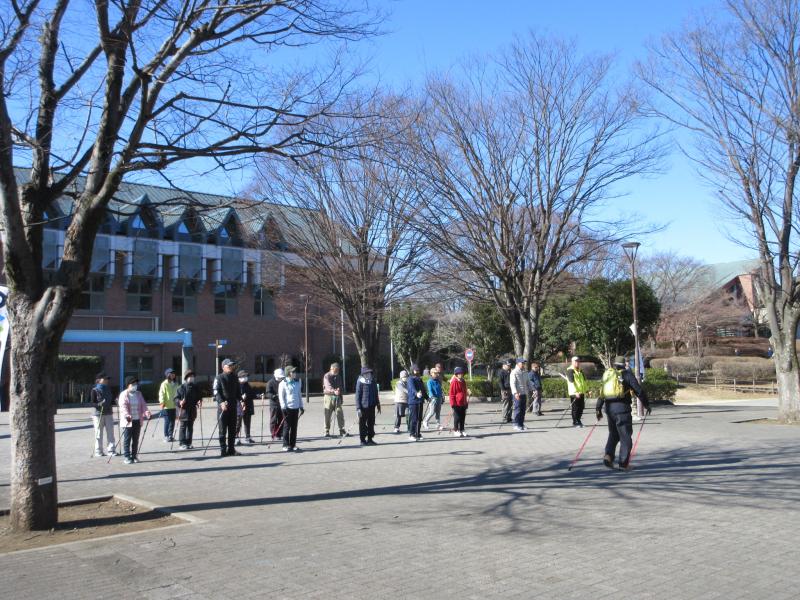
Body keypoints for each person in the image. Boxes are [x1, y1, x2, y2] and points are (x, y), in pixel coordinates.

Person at [596, 356, 651, 471]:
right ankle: (623, 464)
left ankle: (608, 456)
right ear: (624, 364)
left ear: (614, 364)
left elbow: (602, 393)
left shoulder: (609, 375)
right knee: (625, 437)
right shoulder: (626, 374)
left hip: (609, 409)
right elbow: (638, 390)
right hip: (622, 410)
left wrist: (598, 409)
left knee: (613, 434)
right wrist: (646, 405)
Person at [119, 376, 151, 464]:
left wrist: (147, 412)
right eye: (133, 384)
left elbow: (143, 405)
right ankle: (127, 456)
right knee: (127, 439)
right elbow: (123, 407)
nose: (135, 385)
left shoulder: (138, 394)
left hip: (137, 419)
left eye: (136, 384)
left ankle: (134, 456)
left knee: (135, 439)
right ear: (128, 385)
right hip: (128, 421)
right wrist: (127, 415)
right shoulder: (124, 394)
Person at [213, 358, 241, 457]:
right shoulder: (219, 378)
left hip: (233, 406)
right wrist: (221, 403)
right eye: (229, 366)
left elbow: (238, 391)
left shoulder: (235, 377)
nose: (231, 367)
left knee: (232, 430)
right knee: (222, 430)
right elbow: (216, 392)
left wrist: (241, 400)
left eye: (232, 365)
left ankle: (231, 449)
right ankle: (223, 449)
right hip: (223, 407)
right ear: (223, 367)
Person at [278, 365, 304, 451]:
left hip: (295, 407)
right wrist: (283, 408)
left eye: (295, 372)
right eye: (293, 372)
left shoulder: (297, 382)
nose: (295, 373)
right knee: (287, 426)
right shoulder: (283, 383)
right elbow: (281, 397)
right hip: (287, 408)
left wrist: (301, 406)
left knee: (294, 427)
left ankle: (293, 444)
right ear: (288, 373)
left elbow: (299, 395)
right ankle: (285, 445)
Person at [91, 372, 116, 457]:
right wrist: (99, 404)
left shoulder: (109, 389)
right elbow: (93, 403)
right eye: (105, 379)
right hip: (98, 414)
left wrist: (115, 401)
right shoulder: (95, 390)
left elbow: (111, 400)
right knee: (98, 433)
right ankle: (98, 451)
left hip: (108, 413)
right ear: (99, 380)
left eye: (107, 379)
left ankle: (111, 450)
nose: (107, 380)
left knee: (110, 433)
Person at [355, 366, 381, 446]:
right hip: (363, 407)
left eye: (370, 373)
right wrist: (358, 408)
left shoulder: (372, 381)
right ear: (364, 374)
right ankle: (362, 440)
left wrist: (378, 404)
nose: (369, 374)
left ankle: (370, 439)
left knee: (371, 423)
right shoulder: (360, 382)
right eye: (367, 373)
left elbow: (376, 394)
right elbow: (357, 396)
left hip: (372, 406)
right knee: (362, 424)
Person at [176, 369, 202, 449]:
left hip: (192, 410)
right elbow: (175, 399)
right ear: (186, 378)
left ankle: (189, 442)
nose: (192, 378)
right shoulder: (181, 387)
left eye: (193, 376)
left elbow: (199, 397)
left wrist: (199, 401)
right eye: (190, 376)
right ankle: (182, 443)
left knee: (190, 427)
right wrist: (180, 402)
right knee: (183, 427)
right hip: (183, 411)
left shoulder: (195, 387)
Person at [323, 362, 348, 437]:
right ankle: (326, 431)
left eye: (338, 370)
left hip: (337, 397)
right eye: (335, 370)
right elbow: (328, 386)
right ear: (331, 369)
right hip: (328, 397)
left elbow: (340, 387)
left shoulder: (339, 376)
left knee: (339, 413)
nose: (337, 371)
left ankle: (342, 430)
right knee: (327, 414)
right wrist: (334, 391)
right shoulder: (327, 376)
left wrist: (341, 397)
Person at [406, 364, 428, 441]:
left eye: (418, 370)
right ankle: (412, 434)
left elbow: (423, 389)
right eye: (416, 370)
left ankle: (417, 433)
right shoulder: (410, 379)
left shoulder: (419, 379)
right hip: (413, 401)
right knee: (414, 419)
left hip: (420, 401)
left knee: (419, 419)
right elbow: (412, 388)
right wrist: (416, 393)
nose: (417, 371)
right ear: (412, 370)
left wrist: (427, 397)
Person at [566, 356, 588, 428]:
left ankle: (578, 420)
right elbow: (571, 382)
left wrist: (587, 390)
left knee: (581, 407)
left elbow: (584, 382)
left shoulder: (580, 371)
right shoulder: (570, 370)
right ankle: (575, 422)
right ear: (572, 362)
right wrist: (575, 392)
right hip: (574, 393)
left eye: (578, 361)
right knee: (575, 408)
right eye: (575, 361)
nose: (577, 362)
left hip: (581, 392)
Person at [158, 368, 179, 442]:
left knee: (172, 421)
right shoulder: (164, 384)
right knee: (167, 421)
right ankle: (166, 435)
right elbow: (161, 394)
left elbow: (177, 393)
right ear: (167, 375)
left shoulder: (175, 383)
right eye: (171, 373)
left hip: (174, 405)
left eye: (173, 373)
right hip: (166, 406)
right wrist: (162, 402)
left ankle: (171, 435)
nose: (173, 375)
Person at [510, 358, 532, 431]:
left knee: (523, 410)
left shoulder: (525, 372)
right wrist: (515, 393)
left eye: (524, 363)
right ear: (517, 363)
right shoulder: (514, 372)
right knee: (517, 409)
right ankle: (516, 424)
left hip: (524, 393)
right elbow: (512, 384)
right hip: (517, 394)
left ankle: (521, 424)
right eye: (522, 363)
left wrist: (533, 390)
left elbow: (528, 382)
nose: (523, 364)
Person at [236, 370, 257, 445]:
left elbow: (252, 394)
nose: (245, 378)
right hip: (238, 406)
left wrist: (257, 395)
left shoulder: (247, 385)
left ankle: (247, 436)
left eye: (246, 376)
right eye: (243, 376)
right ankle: (236, 437)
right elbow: (234, 396)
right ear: (239, 377)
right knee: (238, 423)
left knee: (247, 422)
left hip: (248, 406)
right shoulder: (236, 385)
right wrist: (241, 398)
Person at [449, 366, 469, 437]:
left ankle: (462, 429)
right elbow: (451, 394)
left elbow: (464, 392)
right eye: (459, 373)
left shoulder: (463, 381)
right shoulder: (454, 382)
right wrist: (453, 404)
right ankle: (456, 430)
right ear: (456, 374)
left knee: (462, 417)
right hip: (456, 403)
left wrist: (466, 402)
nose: (461, 374)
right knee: (457, 417)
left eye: (462, 373)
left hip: (463, 402)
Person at [267, 368, 285, 439]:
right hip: (274, 404)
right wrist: (273, 396)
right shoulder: (270, 382)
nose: (281, 379)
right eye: (280, 377)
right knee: (273, 419)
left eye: (282, 377)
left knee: (281, 419)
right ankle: (274, 433)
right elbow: (268, 393)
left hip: (282, 403)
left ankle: (280, 433)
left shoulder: (283, 382)